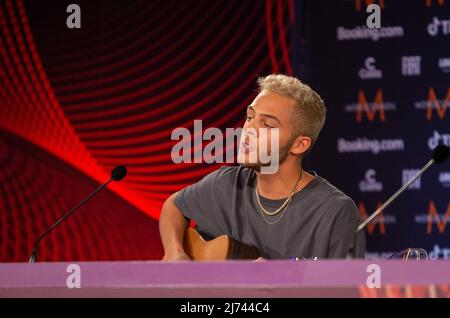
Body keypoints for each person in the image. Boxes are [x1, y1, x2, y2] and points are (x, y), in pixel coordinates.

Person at [159, 74, 365, 261]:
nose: (248, 130)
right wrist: (175, 253)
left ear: (299, 144)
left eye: (267, 125)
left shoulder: (336, 213)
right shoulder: (225, 183)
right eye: (250, 117)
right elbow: (174, 206)